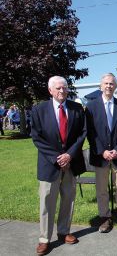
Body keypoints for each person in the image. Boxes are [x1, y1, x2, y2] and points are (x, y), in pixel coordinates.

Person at [31, 76, 86, 256]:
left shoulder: (76, 108)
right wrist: (57, 158)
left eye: (64, 88)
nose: (62, 91)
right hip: (49, 165)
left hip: (71, 163)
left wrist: (69, 154)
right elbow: (37, 137)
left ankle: (64, 231)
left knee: (68, 199)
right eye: (58, 88)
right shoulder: (39, 109)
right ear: (50, 90)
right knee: (47, 202)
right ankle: (44, 239)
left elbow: (82, 134)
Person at [85, 73, 117, 233]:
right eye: (106, 83)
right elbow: (90, 132)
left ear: (115, 86)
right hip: (100, 156)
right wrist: (102, 151)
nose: (108, 86)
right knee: (102, 190)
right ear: (100, 86)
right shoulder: (91, 106)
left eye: (111, 84)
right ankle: (105, 217)